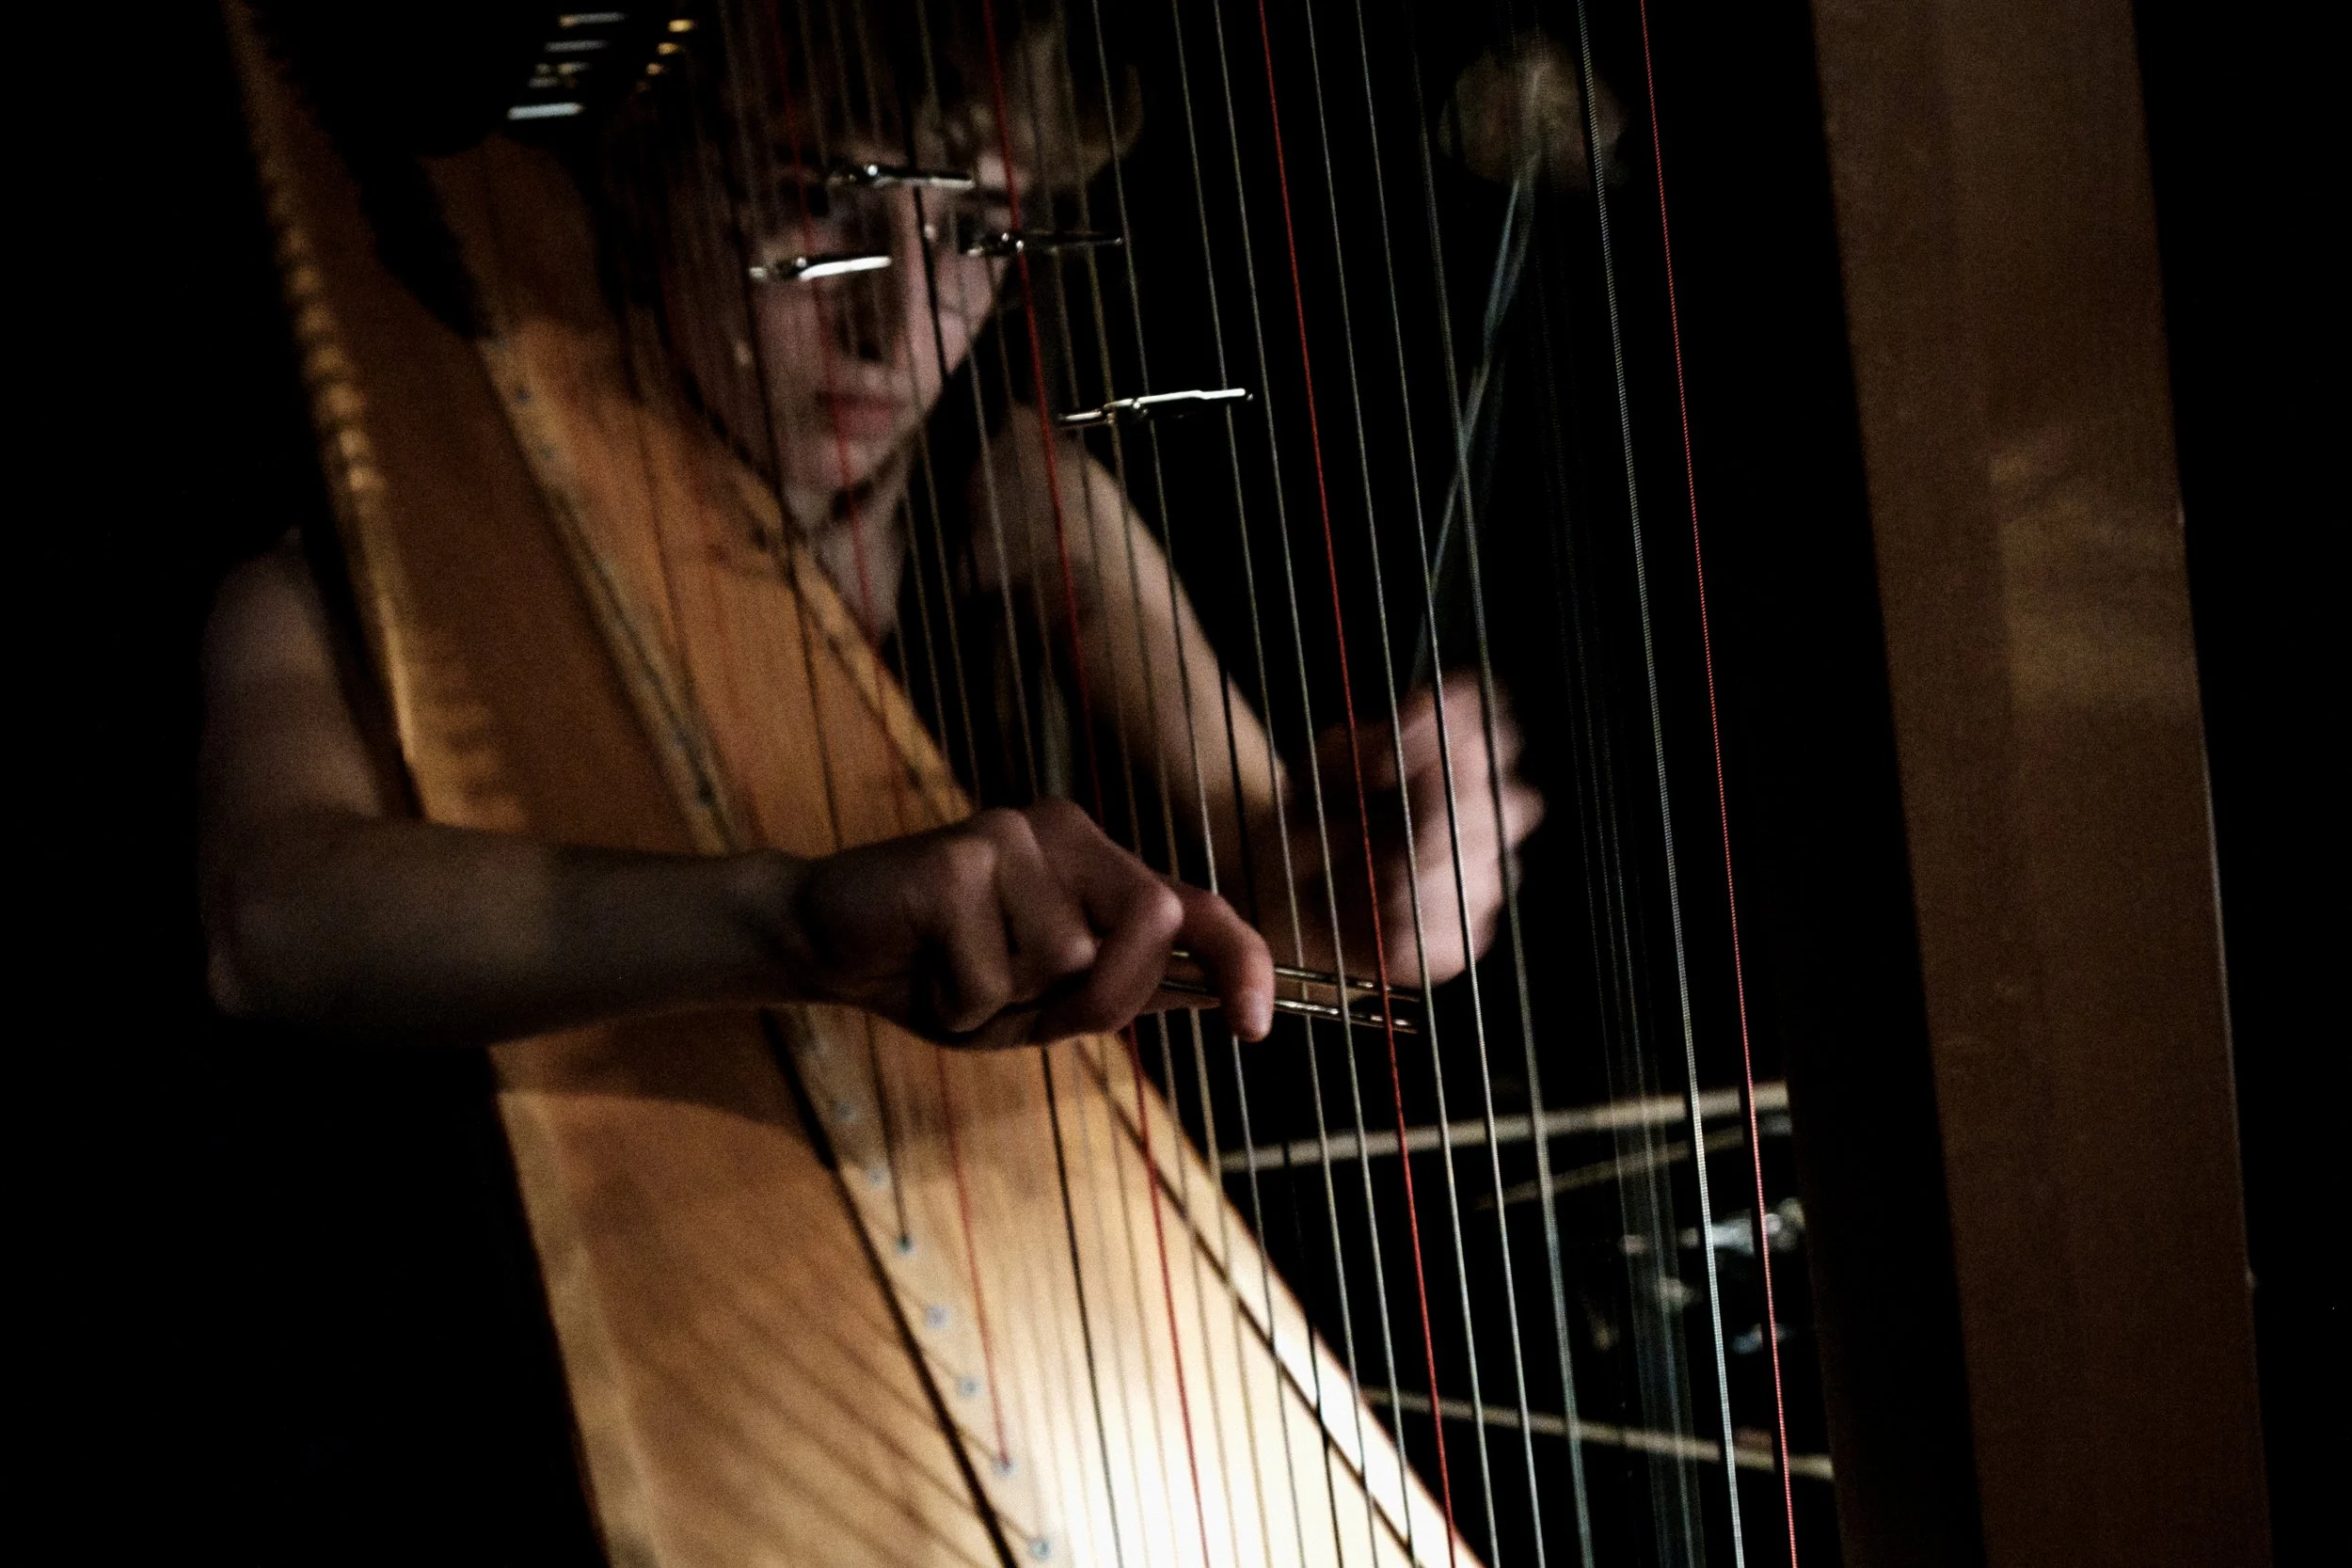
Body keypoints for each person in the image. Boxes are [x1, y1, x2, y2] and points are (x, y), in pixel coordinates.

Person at [199, 5, 1541, 1054]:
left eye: (971, 232)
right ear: (644, 177)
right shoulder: (435, 491)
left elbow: (1253, 842)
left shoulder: (1022, 504)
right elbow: (271, 924)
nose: (895, 327)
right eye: (818, 206)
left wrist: (1360, 882)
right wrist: (783, 920)